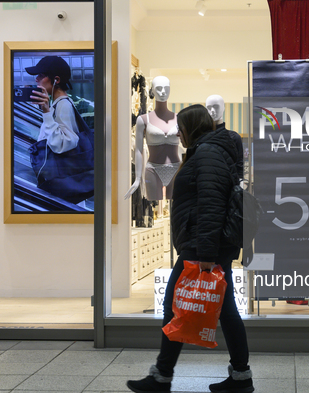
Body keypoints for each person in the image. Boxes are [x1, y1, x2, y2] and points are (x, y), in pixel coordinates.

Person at [126, 104, 254, 393]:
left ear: (191, 128)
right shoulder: (208, 150)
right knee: (225, 309)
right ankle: (240, 377)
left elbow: (210, 205)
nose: (177, 135)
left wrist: (207, 256)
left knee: (175, 303)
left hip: (203, 246)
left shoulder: (207, 153)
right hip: (208, 244)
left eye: (180, 129)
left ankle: (162, 376)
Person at [125, 76, 181, 202]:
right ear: (152, 91)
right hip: (153, 170)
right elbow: (138, 150)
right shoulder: (143, 120)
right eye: (159, 88)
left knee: (176, 212)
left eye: (166, 88)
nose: (163, 92)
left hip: (176, 169)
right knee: (153, 206)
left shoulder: (179, 118)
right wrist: (137, 178)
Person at [26, 55, 81, 154]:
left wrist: (47, 113)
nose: (36, 79)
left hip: (61, 168)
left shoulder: (63, 105)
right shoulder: (58, 103)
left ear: (56, 80)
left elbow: (61, 144)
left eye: (41, 75)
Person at [206, 94, 243, 179]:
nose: (212, 111)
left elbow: (239, 165)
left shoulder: (233, 137)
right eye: (209, 107)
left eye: (216, 106)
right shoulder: (201, 137)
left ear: (223, 107)